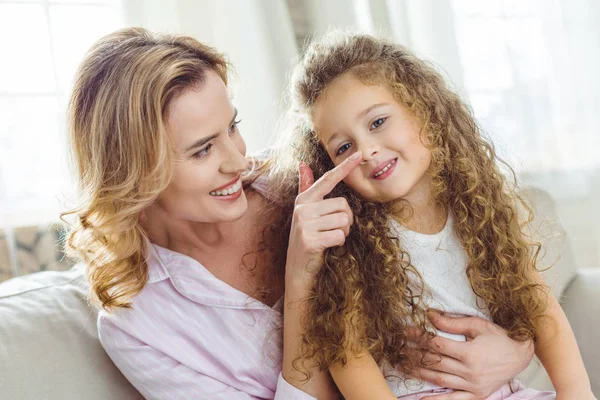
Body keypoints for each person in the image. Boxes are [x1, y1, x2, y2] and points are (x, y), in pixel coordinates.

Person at [63, 27, 537, 400]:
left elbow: (475, 249)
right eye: (203, 150)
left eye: (233, 127)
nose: (238, 160)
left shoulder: (313, 177)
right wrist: (299, 282)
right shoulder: (139, 326)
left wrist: (515, 350)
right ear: (132, 171)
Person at [274, 30, 595, 400]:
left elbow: (542, 311)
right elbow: (349, 356)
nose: (367, 151)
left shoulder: (479, 209)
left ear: (423, 109)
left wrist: (576, 394)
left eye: (377, 122)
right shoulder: (348, 243)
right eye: (344, 147)